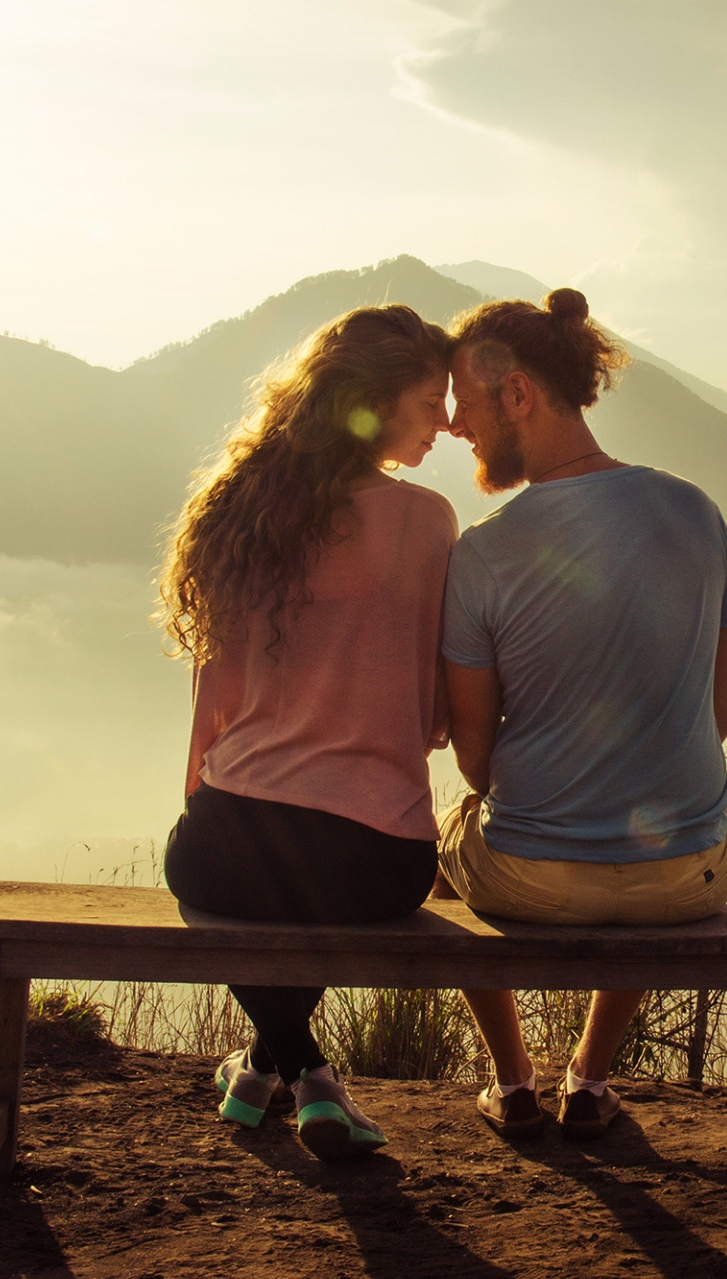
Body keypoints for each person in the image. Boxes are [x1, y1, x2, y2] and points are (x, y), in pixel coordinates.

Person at [436, 287, 727, 1140]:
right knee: (657, 821)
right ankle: (590, 1076)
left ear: (519, 395)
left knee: (439, 845)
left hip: (532, 878)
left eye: (464, 403)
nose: (457, 426)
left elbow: (474, 763)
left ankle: (512, 1082)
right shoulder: (697, 509)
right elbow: (719, 713)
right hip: (689, 878)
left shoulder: (484, 550)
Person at [157, 304, 458, 1162]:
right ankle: (316, 1079)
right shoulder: (425, 519)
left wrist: (201, 804)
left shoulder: (241, 509)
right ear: (373, 399)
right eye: (429, 400)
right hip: (377, 858)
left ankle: (269, 1066)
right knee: (305, 887)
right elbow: (434, 707)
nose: (443, 421)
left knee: (263, 890)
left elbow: (213, 692)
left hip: (228, 838)